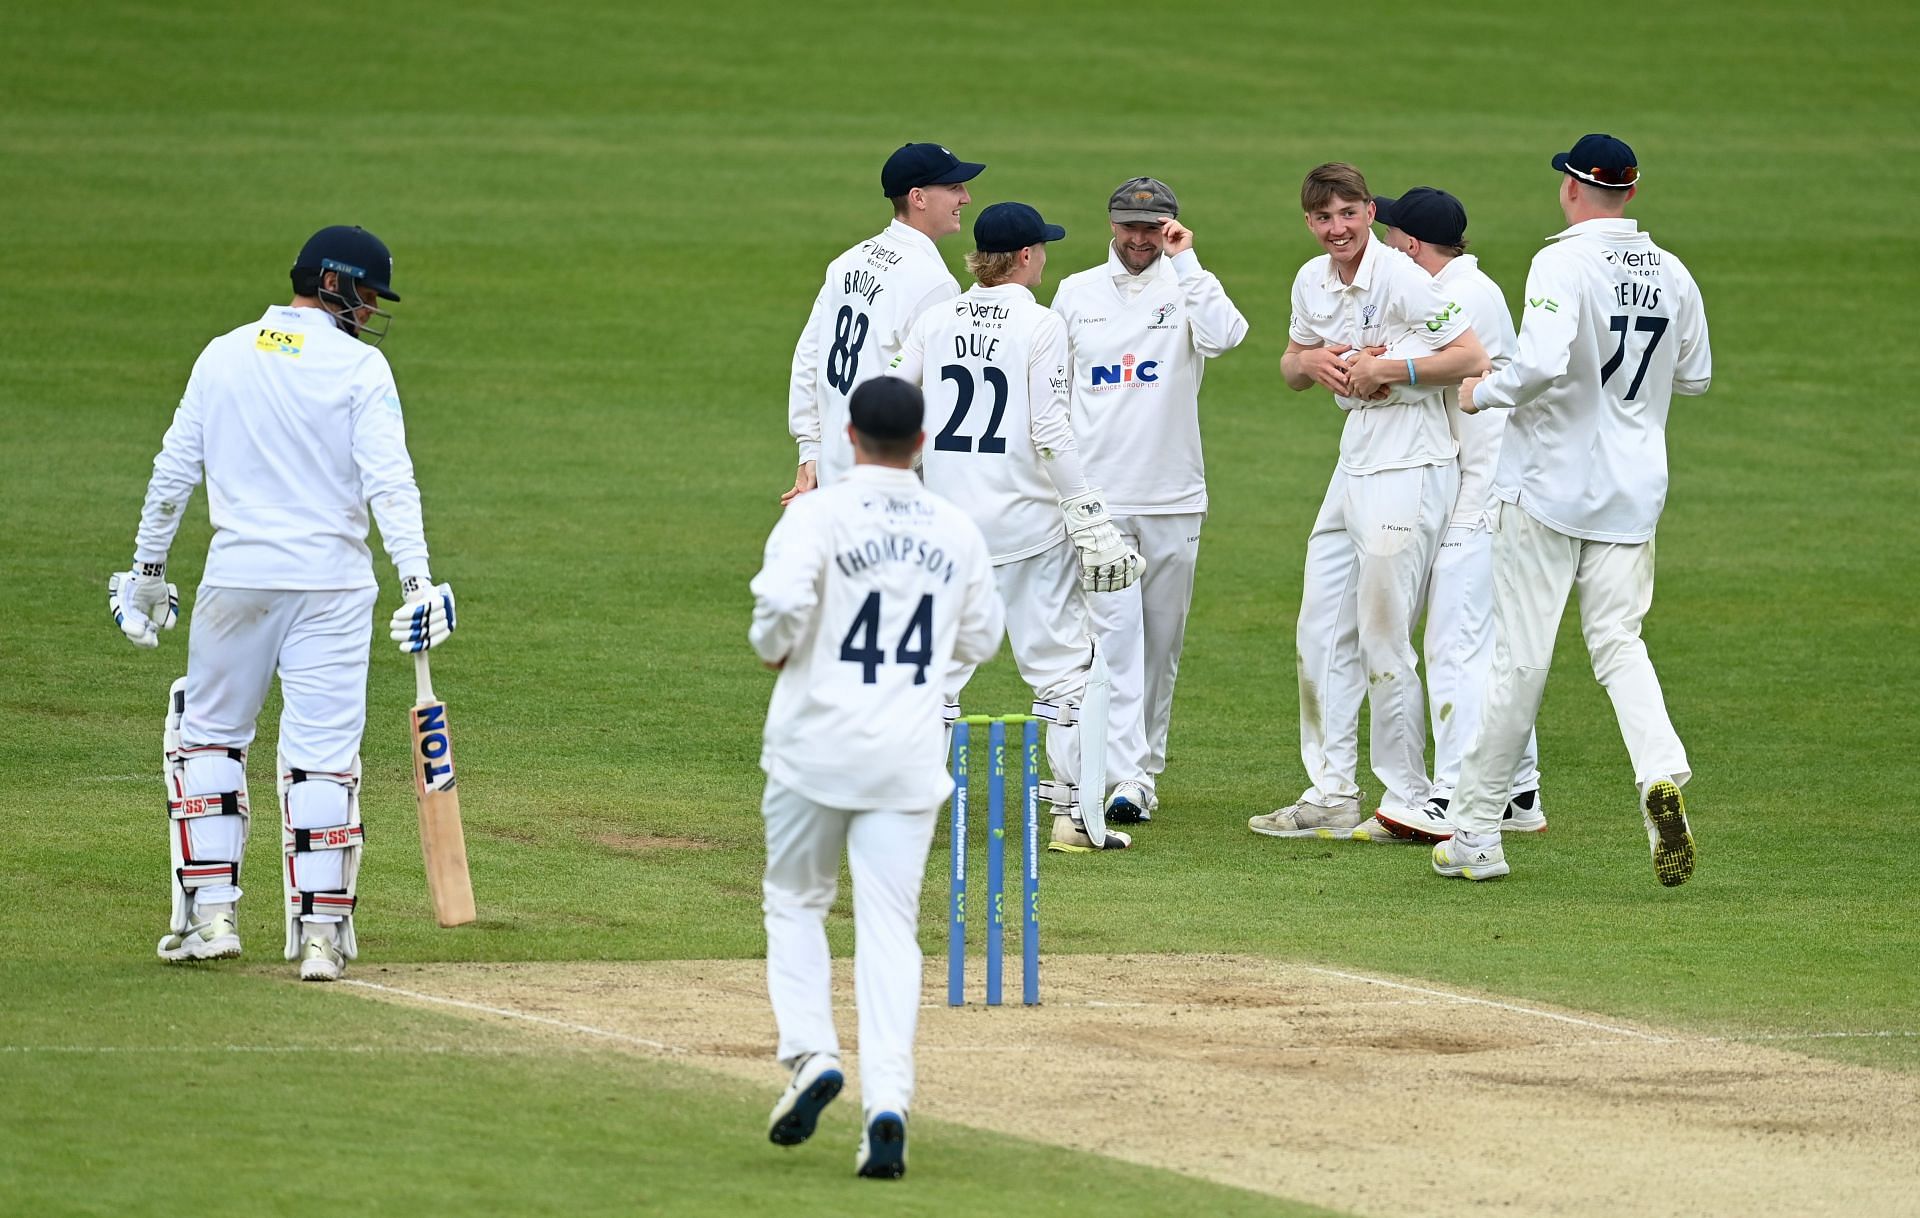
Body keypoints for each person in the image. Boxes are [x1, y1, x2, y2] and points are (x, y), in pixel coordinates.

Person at [108, 225, 456, 983]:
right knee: (325, 759)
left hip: (239, 579)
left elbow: (173, 473)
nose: (369, 310)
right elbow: (390, 483)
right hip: (333, 586)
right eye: (366, 294)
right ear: (333, 283)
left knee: (206, 741)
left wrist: (147, 571)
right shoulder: (362, 369)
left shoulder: (222, 353)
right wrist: (417, 581)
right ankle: (322, 940)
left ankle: (211, 920)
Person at [1433, 134, 1710, 885]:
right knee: (1620, 644)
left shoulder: (1561, 260)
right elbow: (1695, 375)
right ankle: (1659, 776)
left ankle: (1476, 838)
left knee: (1519, 660)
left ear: (1570, 189)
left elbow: (1545, 362)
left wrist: (1482, 390)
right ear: (1631, 192)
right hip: (1634, 489)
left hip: (1550, 486)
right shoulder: (1674, 271)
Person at [750, 375, 1005, 1179]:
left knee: (795, 900)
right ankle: (886, 1101)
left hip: (814, 746)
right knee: (890, 928)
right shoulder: (955, 527)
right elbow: (982, 639)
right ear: (921, 443)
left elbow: (774, 622)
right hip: (905, 750)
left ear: (851, 439)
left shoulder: (816, 514)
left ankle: (812, 1053)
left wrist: (785, 649)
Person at [892, 202, 1144, 852]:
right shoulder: (1040, 323)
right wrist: (1089, 517)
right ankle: (1071, 817)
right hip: (1028, 528)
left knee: (935, 673)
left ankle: (903, 814)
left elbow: (894, 406)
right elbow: (1050, 429)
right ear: (1028, 256)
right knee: (1061, 667)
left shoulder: (936, 317)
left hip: (948, 530)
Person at [1249, 164, 1489, 843]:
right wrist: (1314, 365)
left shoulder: (1404, 277)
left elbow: (1471, 358)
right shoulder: (1310, 280)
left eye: (1349, 214)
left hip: (1412, 465)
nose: (1337, 228)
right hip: (1354, 461)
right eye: (1324, 218)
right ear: (1309, 222)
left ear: (1369, 211)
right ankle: (1330, 792)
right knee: (1319, 629)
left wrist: (1391, 369)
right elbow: (1291, 364)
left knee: (1383, 637)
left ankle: (1409, 796)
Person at [1051, 177, 1249, 824]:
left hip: (1173, 495)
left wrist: (1188, 262)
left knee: (1160, 643)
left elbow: (1227, 337)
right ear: (1110, 225)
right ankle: (1120, 775)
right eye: (1128, 226)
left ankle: (1142, 774)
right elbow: (1053, 391)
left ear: (1171, 226)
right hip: (1100, 502)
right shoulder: (1075, 293)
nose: (1139, 239)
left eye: (1152, 227)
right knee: (1108, 646)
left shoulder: (1188, 285)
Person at [1371, 186, 1545, 839]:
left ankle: (1456, 795)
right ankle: (1519, 792)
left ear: (1412, 245)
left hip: (1486, 489)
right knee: (1482, 642)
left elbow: (1418, 365)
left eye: (1392, 237)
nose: (1386, 246)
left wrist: (1369, 364)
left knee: (1455, 644)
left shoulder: (1461, 297)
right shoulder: (1472, 286)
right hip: (1489, 483)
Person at [782, 142, 985, 505]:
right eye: (954, 187)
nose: (965, 198)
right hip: (890, 479)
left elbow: (808, 356)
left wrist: (810, 447)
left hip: (834, 466)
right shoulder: (933, 283)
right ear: (918, 197)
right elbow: (946, 395)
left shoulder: (848, 260)